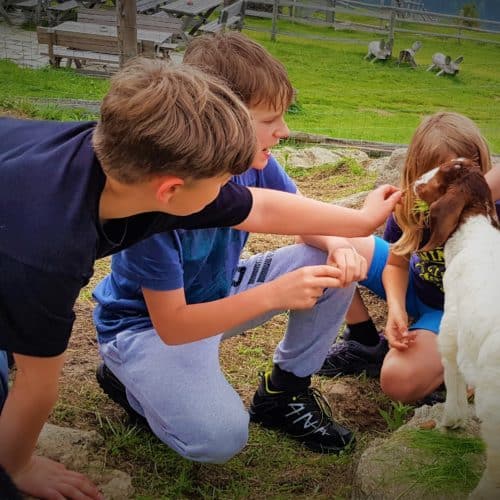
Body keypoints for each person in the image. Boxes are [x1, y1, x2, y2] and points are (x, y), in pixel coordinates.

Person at [0, 58, 398, 499]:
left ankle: (284, 393)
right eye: (227, 181)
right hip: (118, 310)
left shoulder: (135, 162)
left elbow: (261, 207)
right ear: (171, 192)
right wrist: (20, 465)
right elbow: (39, 385)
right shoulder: (48, 255)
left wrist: (359, 224)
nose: (235, 189)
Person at [93, 32, 400, 463]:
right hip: (150, 326)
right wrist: (275, 293)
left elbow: (298, 218)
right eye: (270, 118)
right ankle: (129, 379)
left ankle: (283, 394)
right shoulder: (159, 198)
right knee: (219, 440)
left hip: (219, 293)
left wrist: (339, 243)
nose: (285, 131)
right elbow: (175, 325)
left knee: (332, 255)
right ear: (223, 118)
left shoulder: (258, 164)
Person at [319, 111, 498, 403]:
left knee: (398, 381)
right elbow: (395, 261)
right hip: (416, 286)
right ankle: (363, 340)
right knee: (322, 237)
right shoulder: (412, 204)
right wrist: (396, 308)